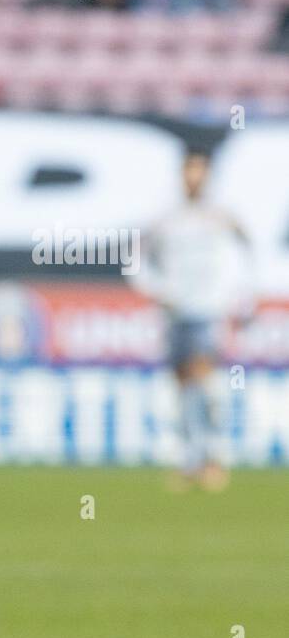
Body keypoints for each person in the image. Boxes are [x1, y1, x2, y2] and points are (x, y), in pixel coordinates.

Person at [133, 150, 256, 491]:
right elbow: (139, 260)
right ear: (182, 176)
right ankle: (190, 460)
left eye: (200, 172)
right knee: (184, 384)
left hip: (209, 309)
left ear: (207, 177)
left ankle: (213, 458)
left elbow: (246, 256)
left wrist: (240, 297)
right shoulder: (167, 219)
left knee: (206, 380)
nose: (194, 178)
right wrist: (158, 289)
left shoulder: (222, 217)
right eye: (189, 172)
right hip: (177, 311)